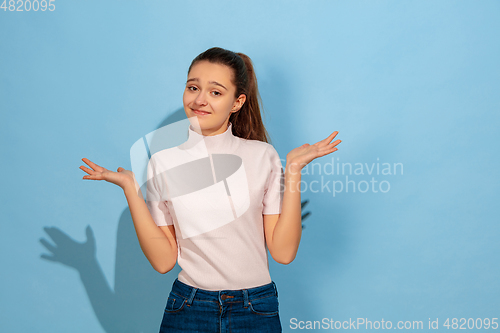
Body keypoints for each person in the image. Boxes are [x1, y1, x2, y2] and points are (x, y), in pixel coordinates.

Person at [80, 47, 341, 332]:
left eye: (216, 92)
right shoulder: (162, 163)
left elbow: (283, 252)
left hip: (254, 308)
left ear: (237, 102)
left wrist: (293, 171)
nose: (200, 100)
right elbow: (164, 260)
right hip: (188, 307)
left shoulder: (263, 156)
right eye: (193, 87)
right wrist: (131, 189)